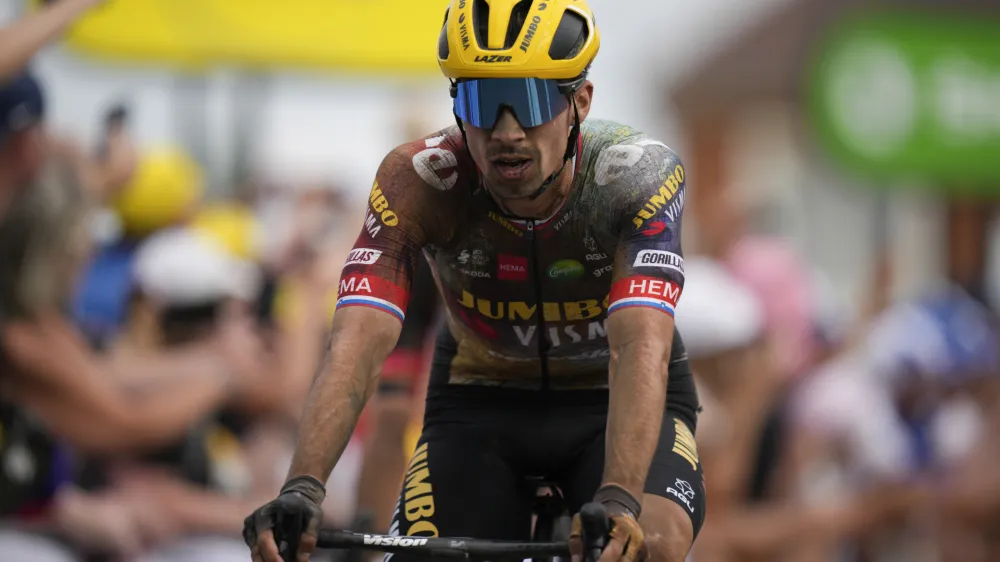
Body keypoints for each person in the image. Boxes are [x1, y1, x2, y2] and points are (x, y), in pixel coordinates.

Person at [244, 1, 703, 561]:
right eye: (482, 102)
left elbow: (641, 346)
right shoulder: (417, 180)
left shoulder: (636, 179)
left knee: (649, 546)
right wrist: (302, 487)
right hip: (479, 402)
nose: (505, 131)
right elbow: (357, 344)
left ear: (580, 102)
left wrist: (620, 498)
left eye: (530, 101)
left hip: (610, 399)